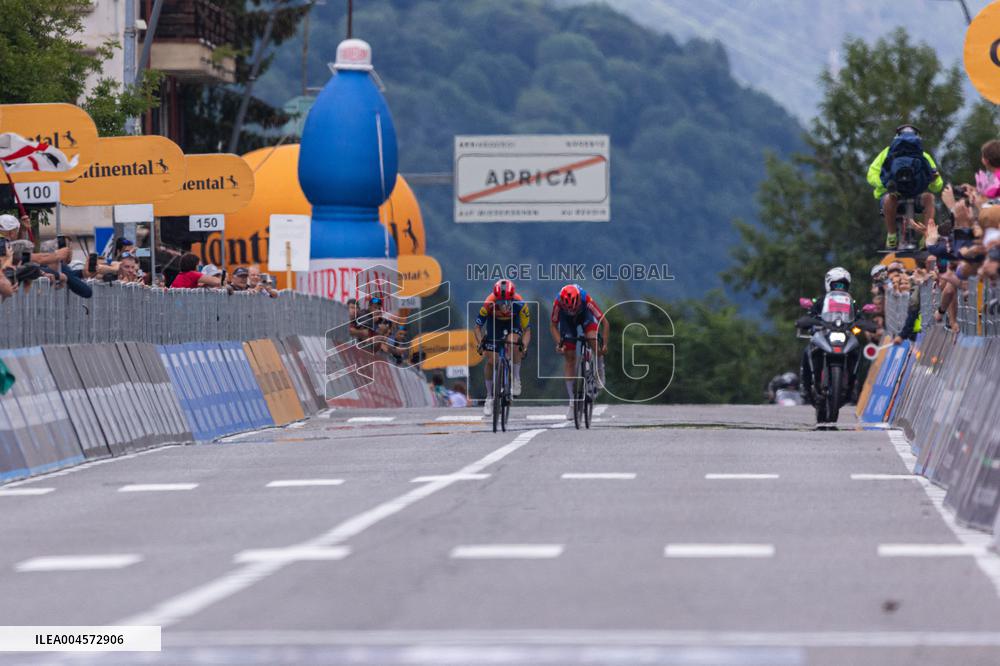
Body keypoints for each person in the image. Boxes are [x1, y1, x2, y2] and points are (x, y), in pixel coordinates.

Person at [867, 124, 943, 250]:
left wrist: (934, 180)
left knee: (928, 198)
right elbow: (937, 186)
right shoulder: (922, 156)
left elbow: (871, 175)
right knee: (892, 198)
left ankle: (927, 235)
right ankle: (892, 234)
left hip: (912, 195)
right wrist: (887, 185)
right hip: (895, 195)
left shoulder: (919, 155)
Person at [550, 283, 610, 419]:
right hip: (567, 322)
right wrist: (559, 343)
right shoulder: (558, 302)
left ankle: (600, 370)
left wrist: (604, 345)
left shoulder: (586, 299)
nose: (572, 310)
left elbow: (605, 322)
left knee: (592, 339)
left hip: (585, 316)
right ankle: (572, 403)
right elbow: (553, 326)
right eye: (569, 309)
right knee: (569, 358)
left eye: (574, 308)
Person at [799, 267, 858, 404]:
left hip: (844, 333)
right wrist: (809, 321)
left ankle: (853, 384)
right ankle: (806, 385)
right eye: (836, 284)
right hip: (824, 333)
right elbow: (811, 314)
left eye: (843, 285)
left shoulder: (851, 302)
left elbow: (858, 315)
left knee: (856, 348)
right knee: (807, 350)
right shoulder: (822, 300)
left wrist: (862, 321)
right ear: (828, 284)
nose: (840, 288)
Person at [474, 279, 531, 416]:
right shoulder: (488, 303)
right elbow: (477, 328)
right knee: (490, 360)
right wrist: (480, 342)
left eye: (507, 302)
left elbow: (527, 331)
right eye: (499, 302)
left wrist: (524, 346)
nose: (503, 305)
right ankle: (489, 397)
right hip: (495, 324)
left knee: (514, 343)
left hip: (513, 323)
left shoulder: (520, 304)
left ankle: (516, 379)